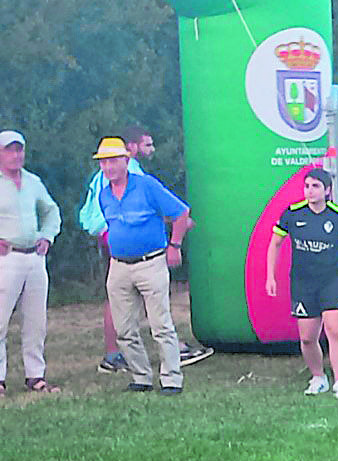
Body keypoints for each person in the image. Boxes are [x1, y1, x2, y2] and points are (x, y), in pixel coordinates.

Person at [78, 124, 213, 372]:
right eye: (147, 145)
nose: (152, 150)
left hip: (129, 246)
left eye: (112, 161)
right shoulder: (117, 181)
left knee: (142, 303)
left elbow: (149, 211)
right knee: (125, 301)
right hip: (116, 246)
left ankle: (159, 367)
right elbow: (126, 214)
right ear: (132, 149)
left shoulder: (133, 180)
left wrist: (172, 229)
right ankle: (123, 358)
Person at [265, 167, 338, 398]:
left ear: (327, 190)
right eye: (307, 186)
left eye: (315, 186)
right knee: (307, 338)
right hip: (303, 282)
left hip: (332, 280)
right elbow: (275, 243)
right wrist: (270, 276)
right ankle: (318, 377)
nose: (310, 191)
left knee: (334, 330)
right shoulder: (293, 213)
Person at [94, 136, 193, 394]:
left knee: (161, 325)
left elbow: (181, 213)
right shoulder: (104, 195)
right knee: (124, 328)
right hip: (118, 265)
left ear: (126, 161)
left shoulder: (146, 185)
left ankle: (171, 379)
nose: (108, 167)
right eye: (104, 162)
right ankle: (141, 377)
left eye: (113, 161)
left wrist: (175, 246)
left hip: (151, 262)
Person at [0, 129, 59, 394]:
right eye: (9, 150)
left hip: (34, 257)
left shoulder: (33, 182)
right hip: (6, 258)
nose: (15, 155)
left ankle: (35, 375)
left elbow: (51, 210)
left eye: (19, 149)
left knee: (36, 321)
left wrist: (47, 236)